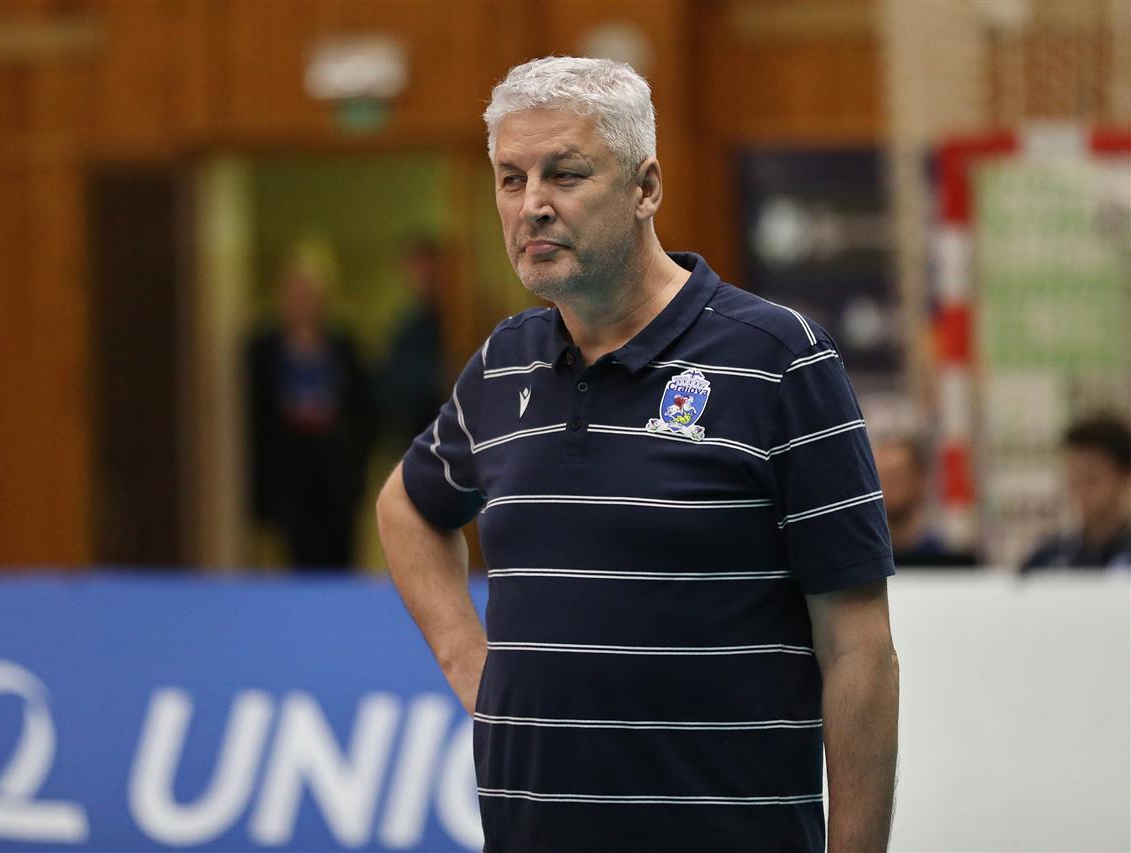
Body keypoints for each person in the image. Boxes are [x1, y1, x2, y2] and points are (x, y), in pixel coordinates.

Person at [376, 57, 899, 852]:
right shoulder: (503, 363)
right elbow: (409, 507)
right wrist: (472, 665)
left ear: (645, 187)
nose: (532, 204)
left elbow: (859, 651)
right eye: (511, 179)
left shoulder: (779, 359)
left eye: (565, 173)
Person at [247, 263, 370, 569]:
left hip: (335, 471)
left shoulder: (344, 346)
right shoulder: (264, 349)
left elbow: (364, 410)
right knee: (296, 555)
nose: (303, 303)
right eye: (295, 295)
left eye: (310, 295)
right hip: (288, 472)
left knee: (339, 557)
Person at [1023, 414, 1131, 572]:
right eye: (1074, 477)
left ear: (1124, 478)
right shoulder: (1048, 558)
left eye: (1090, 479)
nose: (1080, 490)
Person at [375, 237, 447, 445]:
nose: (426, 281)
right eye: (419, 273)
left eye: (431, 273)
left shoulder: (461, 323)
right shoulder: (407, 332)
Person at [874, 435, 970, 566]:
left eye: (895, 478)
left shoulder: (944, 560)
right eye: (881, 479)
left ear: (919, 481)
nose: (887, 488)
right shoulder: (865, 560)